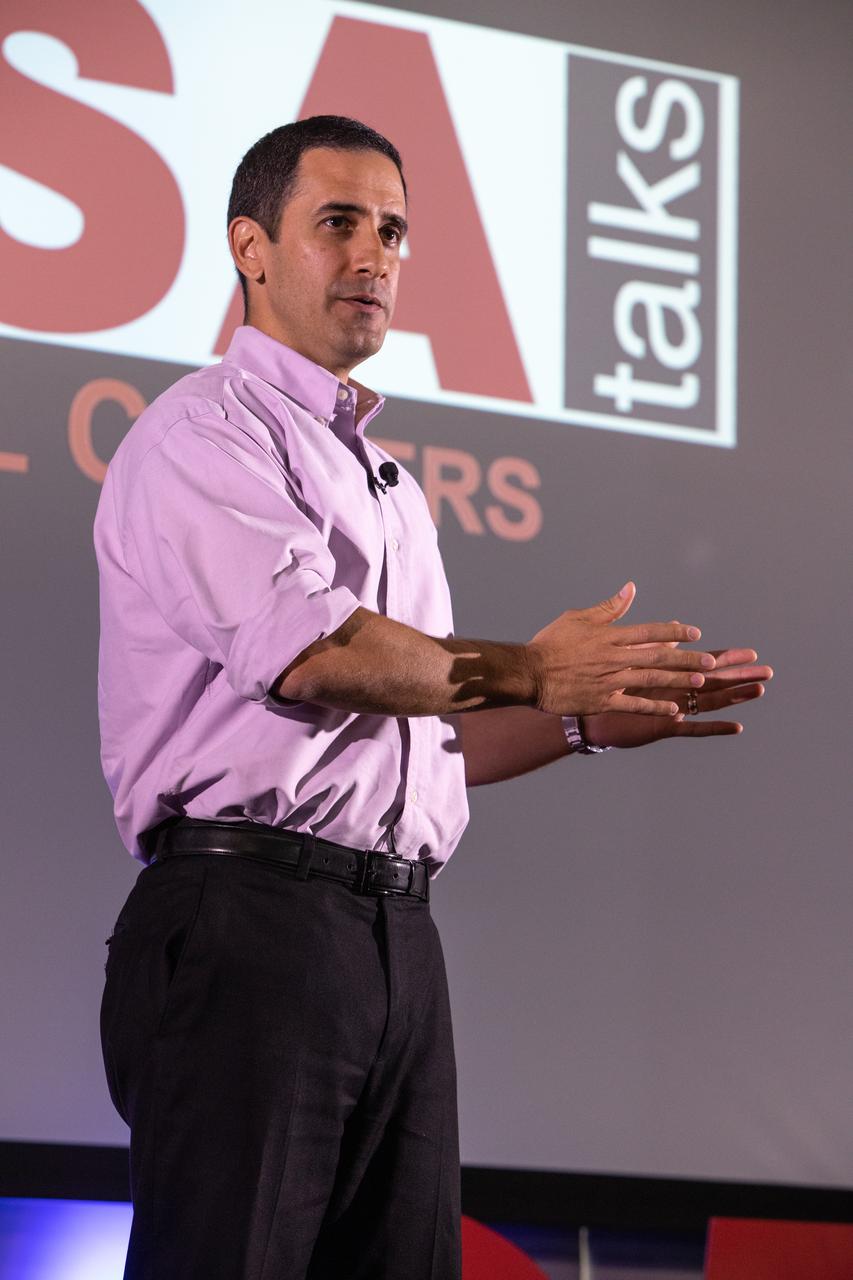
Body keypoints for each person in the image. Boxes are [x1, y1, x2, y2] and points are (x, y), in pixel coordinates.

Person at [95, 116, 771, 1280]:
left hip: (394, 937)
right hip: (249, 926)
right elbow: (311, 654)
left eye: (394, 230)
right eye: (339, 223)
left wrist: (572, 719)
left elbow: (422, 738)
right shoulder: (203, 433)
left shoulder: (390, 485)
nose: (374, 256)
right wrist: (530, 666)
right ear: (251, 249)